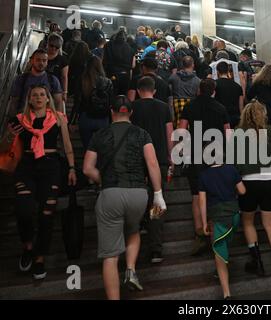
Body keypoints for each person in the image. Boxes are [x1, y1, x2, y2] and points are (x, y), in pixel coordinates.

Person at [83, 96, 166, 300]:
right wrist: (158, 194)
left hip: (110, 194)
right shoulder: (142, 134)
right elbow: (153, 163)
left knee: (110, 256)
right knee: (133, 230)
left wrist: (105, 180)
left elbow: (87, 169)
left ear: (111, 111)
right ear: (131, 112)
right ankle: (130, 269)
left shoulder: (100, 135)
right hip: (138, 194)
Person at [1, 85, 76, 280]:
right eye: (35, 95)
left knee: (46, 213)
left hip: (50, 167)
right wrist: (9, 134)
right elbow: (4, 146)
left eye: (42, 94)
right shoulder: (19, 119)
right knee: (23, 209)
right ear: (30, 99)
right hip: (26, 166)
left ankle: (40, 258)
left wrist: (72, 168)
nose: (39, 97)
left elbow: (67, 145)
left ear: (48, 98)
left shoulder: (58, 118)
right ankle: (28, 246)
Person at [236, 100, 271, 290]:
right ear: (263, 114)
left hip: (248, 181)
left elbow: (233, 162)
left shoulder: (239, 134)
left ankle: (256, 260)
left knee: (248, 222)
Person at [178, 79, 230, 256]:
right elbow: (228, 133)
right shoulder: (221, 108)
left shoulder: (190, 106)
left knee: (195, 195)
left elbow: (182, 130)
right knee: (214, 193)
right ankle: (217, 233)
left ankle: (200, 234)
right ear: (214, 91)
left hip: (195, 154)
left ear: (199, 90)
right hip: (216, 154)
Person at [131, 77, 174, 263]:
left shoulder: (132, 107)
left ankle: (138, 228)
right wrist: (171, 157)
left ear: (139, 90)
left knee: (137, 197)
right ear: (154, 90)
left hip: (136, 160)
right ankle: (156, 249)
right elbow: (169, 133)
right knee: (157, 201)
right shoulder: (164, 107)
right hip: (159, 159)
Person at [198, 161, 246, 299]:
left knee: (219, 253)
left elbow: (202, 201)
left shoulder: (203, 175)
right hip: (234, 215)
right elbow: (243, 190)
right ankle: (223, 266)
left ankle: (227, 294)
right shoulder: (231, 169)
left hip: (219, 218)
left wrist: (204, 222)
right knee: (224, 245)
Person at [75, 55, 113, 150]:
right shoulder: (108, 82)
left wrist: (72, 121)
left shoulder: (83, 80)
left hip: (85, 117)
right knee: (101, 149)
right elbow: (111, 102)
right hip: (103, 119)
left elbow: (77, 101)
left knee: (88, 149)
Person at [9, 49, 63, 115]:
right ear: (32, 61)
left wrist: (60, 119)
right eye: (38, 60)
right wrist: (12, 120)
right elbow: (14, 102)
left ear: (47, 62)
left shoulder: (53, 80)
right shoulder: (21, 79)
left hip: (46, 120)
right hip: (24, 118)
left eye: (44, 60)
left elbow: (58, 102)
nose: (41, 63)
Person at [169, 56, 201, 128]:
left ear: (182, 65)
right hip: (192, 105)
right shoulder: (198, 80)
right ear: (193, 65)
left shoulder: (173, 77)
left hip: (176, 105)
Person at [103, 30, 136, 96]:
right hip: (125, 75)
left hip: (111, 73)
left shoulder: (108, 45)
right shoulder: (130, 48)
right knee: (122, 96)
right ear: (125, 38)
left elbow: (104, 60)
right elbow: (133, 65)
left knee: (110, 94)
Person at [214, 61, 244, 128]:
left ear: (217, 72)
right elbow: (241, 106)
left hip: (219, 118)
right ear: (228, 71)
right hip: (234, 119)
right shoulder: (237, 86)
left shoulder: (214, 85)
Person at [45, 33, 69, 103]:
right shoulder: (40, 55)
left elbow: (64, 77)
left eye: (57, 47)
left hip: (55, 90)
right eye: (51, 45)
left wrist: (65, 92)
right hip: (38, 87)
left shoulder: (63, 60)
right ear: (48, 44)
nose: (54, 48)